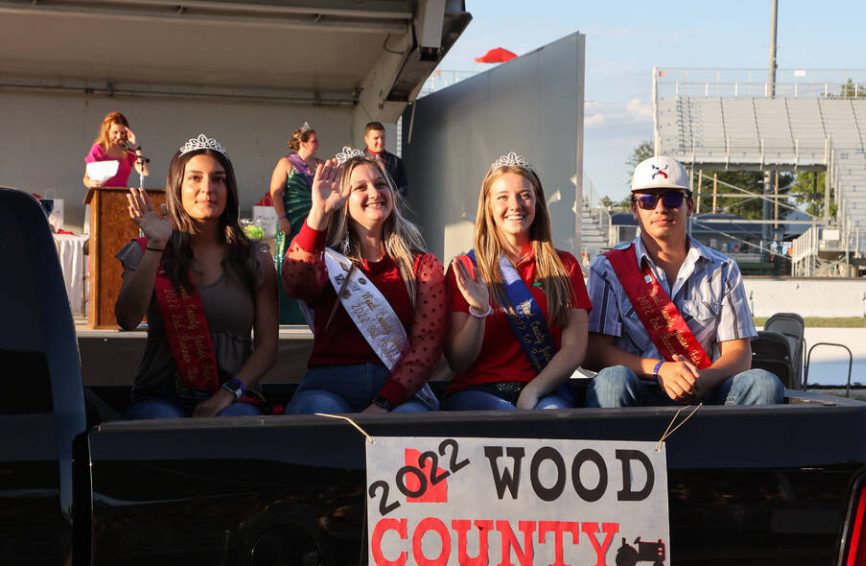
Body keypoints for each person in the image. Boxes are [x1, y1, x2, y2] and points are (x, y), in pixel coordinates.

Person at [584, 155, 784, 408]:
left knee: (763, 383)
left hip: (703, 390)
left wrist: (701, 379)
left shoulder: (723, 269)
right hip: (636, 390)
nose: (660, 208)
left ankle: (732, 448)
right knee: (612, 380)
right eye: (647, 200)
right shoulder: (608, 268)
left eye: (672, 198)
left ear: (689, 205)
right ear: (634, 209)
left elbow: (739, 355)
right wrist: (661, 370)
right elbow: (594, 352)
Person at [115, 133, 278, 419]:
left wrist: (227, 395)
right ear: (177, 186)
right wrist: (157, 245)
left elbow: (267, 347)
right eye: (195, 178)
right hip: (161, 396)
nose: (208, 189)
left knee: (238, 425)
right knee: (159, 423)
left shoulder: (256, 259)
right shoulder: (146, 250)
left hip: (235, 399)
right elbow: (127, 319)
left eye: (218, 179)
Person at [282, 148, 444, 414]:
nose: (374, 193)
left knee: (408, 423)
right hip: (328, 385)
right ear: (342, 200)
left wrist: (385, 403)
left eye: (381, 184)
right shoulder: (326, 260)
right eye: (360, 187)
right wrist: (319, 214)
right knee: (318, 414)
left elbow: (427, 346)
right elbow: (296, 282)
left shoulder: (422, 266)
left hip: (398, 391)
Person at [442, 151, 590, 410]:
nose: (515, 205)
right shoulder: (466, 269)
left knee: (553, 415)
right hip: (478, 392)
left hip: (544, 391)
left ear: (537, 202)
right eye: (503, 197)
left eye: (525, 195)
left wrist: (534, 391)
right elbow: (459, 362)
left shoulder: (565, 266)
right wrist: (478, 311)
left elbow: (575, 347)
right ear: (488, 205)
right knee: (504, 416)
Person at [269, 122, 322, 324]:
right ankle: (287, 314)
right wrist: (282, 218)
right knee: (289, 262)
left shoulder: (319, 164)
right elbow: (276, 192)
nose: (317, 144)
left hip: (314, 220)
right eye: (314, 141)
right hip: (291, 220)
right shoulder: (286, 163)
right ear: (303, 142)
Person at [83, 111, 149, 189]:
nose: (119, 136)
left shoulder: (128, 152)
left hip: (122, 196)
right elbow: (86, 179)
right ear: (107, 132)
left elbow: (144, 172)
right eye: (115, 132)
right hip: (101, 195)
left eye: (122, 133)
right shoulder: (98, 149)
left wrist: (136, 146)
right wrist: (92, 183)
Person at [363, 121, 408, 196]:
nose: (380, 141)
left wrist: (390, 200)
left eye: (382, 137)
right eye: (376, 138)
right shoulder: (358, 160)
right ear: (367, 139)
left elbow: (403, 187)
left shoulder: (396, 161)